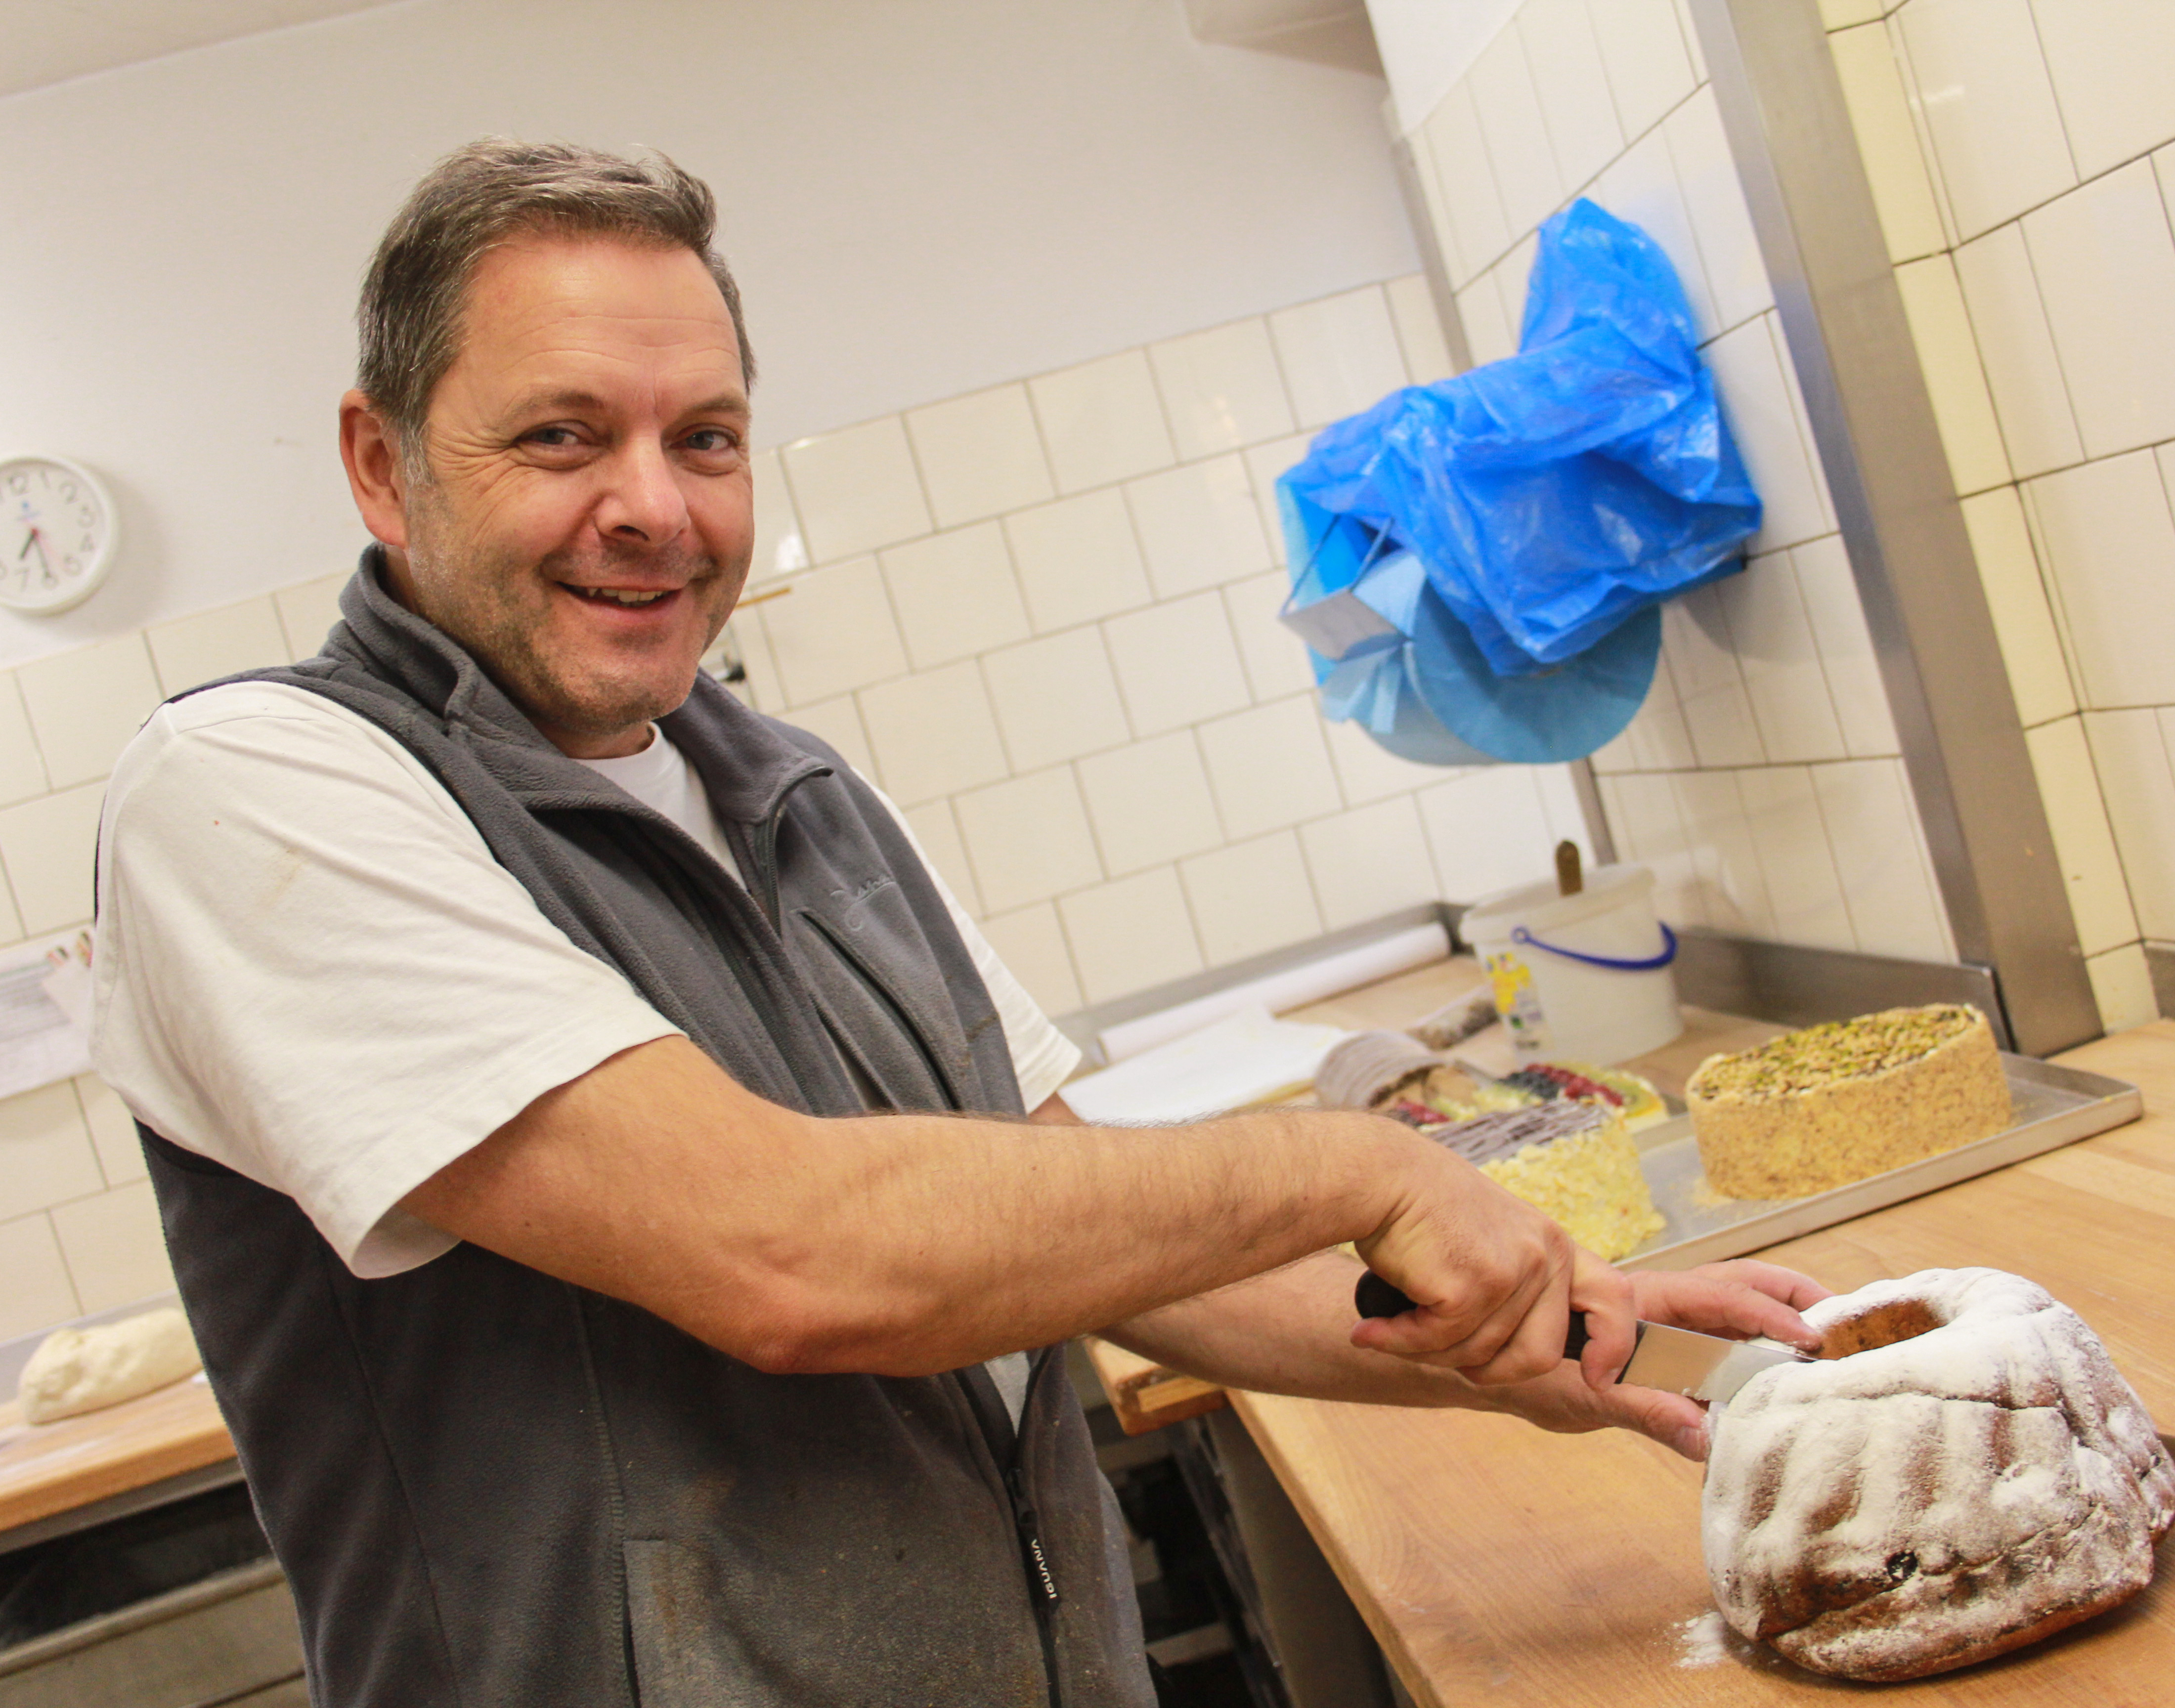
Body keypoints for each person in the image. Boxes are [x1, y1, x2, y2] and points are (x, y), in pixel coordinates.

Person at [91, 139, 1826, 1705]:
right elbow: (790, 1256)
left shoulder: (797, 791)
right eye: (561, 436)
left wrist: (1515, 1343)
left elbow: (1124, 1246)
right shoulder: (251, 788)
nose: (655, 506)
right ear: (381, 467)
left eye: (703, 439)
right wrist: (1363, 1171)